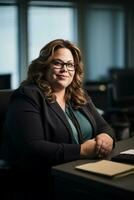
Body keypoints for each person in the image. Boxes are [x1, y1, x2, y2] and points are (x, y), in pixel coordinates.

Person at [1, 39, 115, 199]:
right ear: (44, 66)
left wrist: (106, 137)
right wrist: (81, 151)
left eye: (70, 65)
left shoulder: (78, 95)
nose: (65, 69)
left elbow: (104, 126)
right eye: (58, 63)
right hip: (45, 182)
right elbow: (32, 147)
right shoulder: (27, 96)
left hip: (84, 172)